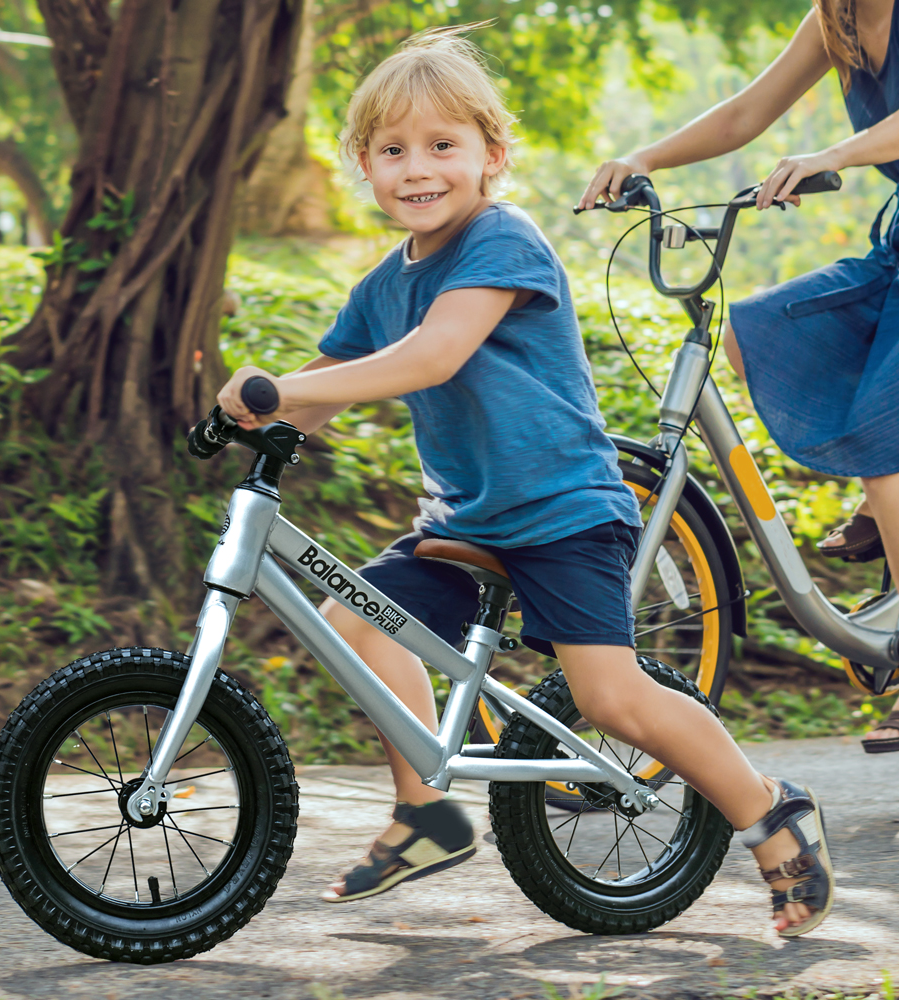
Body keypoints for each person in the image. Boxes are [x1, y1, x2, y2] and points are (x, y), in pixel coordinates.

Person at [217, 27, 834, 935]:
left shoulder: (502, 239)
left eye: (442, 146)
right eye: (393, 150)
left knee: (611, 700)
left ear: (492, 156)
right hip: (467, 519)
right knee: (359, 620)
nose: (417, 168)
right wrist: (257, 412)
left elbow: (435, 355)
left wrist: (291, 390)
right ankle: (427, 811)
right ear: (363, 164)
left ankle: (770, 810)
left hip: (564, 512)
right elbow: (321, 391)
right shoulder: (385, 283)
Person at [579, 0, 899, 754]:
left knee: (887, 435)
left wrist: (831, 156)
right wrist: (646, 159)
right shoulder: (832, 18)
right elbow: (745, 113)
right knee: (758, 332)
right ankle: (891, 514)